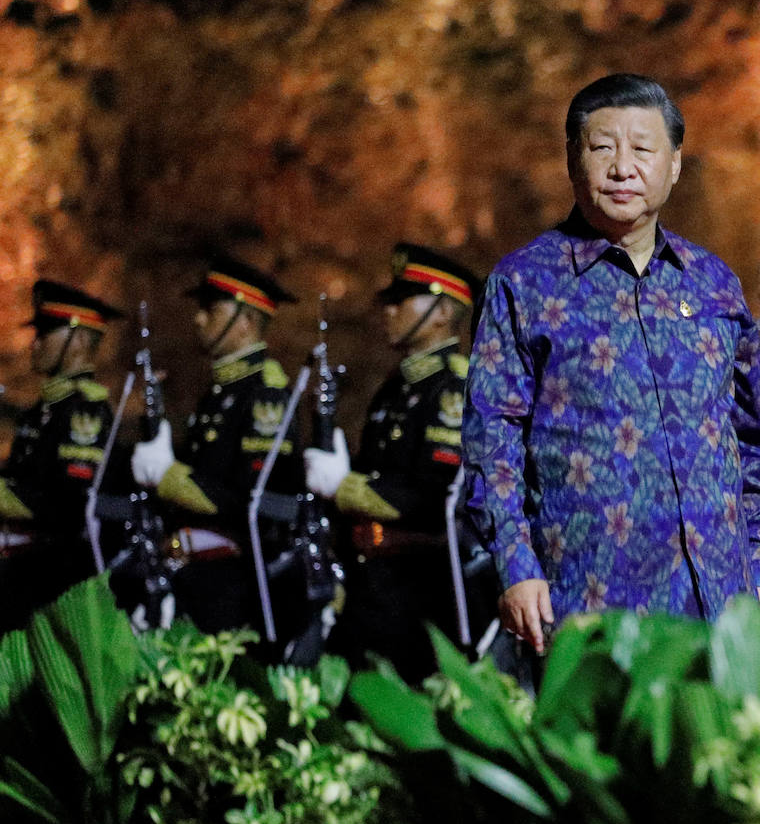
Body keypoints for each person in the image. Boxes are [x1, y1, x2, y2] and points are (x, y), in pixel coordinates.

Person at [462, 73, 760, 653]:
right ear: (572, 159)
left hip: (720, 598)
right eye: (603, 147)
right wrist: (515, 563)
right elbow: (493, 436)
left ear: (675, 163)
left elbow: (753, 439)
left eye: (642, 148)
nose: (622, 168)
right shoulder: (523, 283)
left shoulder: (713, 283)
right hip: (587, 597)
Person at [304, 242, 497, 681]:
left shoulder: (452, 391)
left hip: (422, 590)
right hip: (370, 583)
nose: (388, 311)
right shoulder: (393, 391)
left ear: (443, 312)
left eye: (402, 300)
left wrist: (343, 485)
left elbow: (433, 496)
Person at [131, 257, 303, 641]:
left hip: (234, 581)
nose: (198, 319)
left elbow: (250, 499)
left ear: (246, 321)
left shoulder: (264, 396)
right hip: (193, 573)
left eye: (211, 309)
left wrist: (169, 476)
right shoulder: (219, 393)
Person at [0, 281, 121, 629]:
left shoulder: (84, 413)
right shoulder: (43, 410)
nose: (35, 343)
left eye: (46, 333)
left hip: (58, 579)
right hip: (23, 573)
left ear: (79, 341)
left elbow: (68, 501)